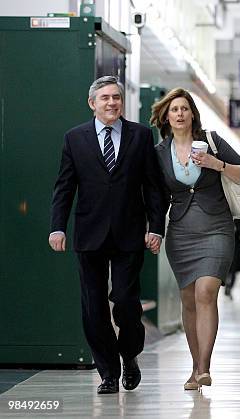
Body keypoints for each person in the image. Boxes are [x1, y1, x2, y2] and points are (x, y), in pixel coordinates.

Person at [49, 76, 165, 394]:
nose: (112, 102)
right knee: (93, 306)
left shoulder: (140, 136)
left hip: (129, 234)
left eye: (116, 97)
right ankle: (108, 372)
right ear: (92, 103)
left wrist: (156, 227)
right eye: (105, 98)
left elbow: (154, 187)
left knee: (127, 302)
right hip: (89, 234)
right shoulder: (75, 138)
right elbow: (64, 186)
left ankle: (129, 356)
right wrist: (58, 226)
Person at [150, 87, 240, 390]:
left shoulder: (212, 142)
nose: (180, 114)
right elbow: (155, 196)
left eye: (184, 108)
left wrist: (216, 164)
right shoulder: (158, 153)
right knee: (189, 300)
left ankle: (205, 367)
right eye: (174, 110)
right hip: (181, 231)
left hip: (217, 228)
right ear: (166, 117)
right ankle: (194, 367)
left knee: (206, 291)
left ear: (192, 112)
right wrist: (153, 227)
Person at [225, 218, 240, 299]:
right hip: (225, 247)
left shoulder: (239, 219)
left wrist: (236, 229)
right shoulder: (224, 217)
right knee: (226, 269)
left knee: (233, 269)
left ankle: (230, 287)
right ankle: (227, 285)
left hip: (236, 248)